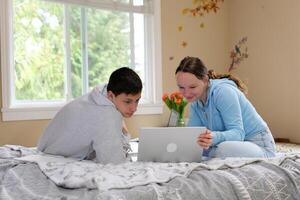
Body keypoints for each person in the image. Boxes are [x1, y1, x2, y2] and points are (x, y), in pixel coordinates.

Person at [175, 56, 276, 158]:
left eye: (192, 87)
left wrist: (212, 137)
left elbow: (238, 134)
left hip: (259, 146)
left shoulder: (223, 92)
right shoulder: (195, 102)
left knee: (223, 148)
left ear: (205, 80)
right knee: (195, 149)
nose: (186, 93)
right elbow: (194, 136)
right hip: (232, 145)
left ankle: (213, 153)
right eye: (181, 87)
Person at [37, 67, 142, 164]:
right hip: (55, 159)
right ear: (111, 95)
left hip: (46, 150)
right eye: (128, 102)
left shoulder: (99, 97)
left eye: (137, 100)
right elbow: (114, 163)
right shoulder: (107, 115)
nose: (134, 108)